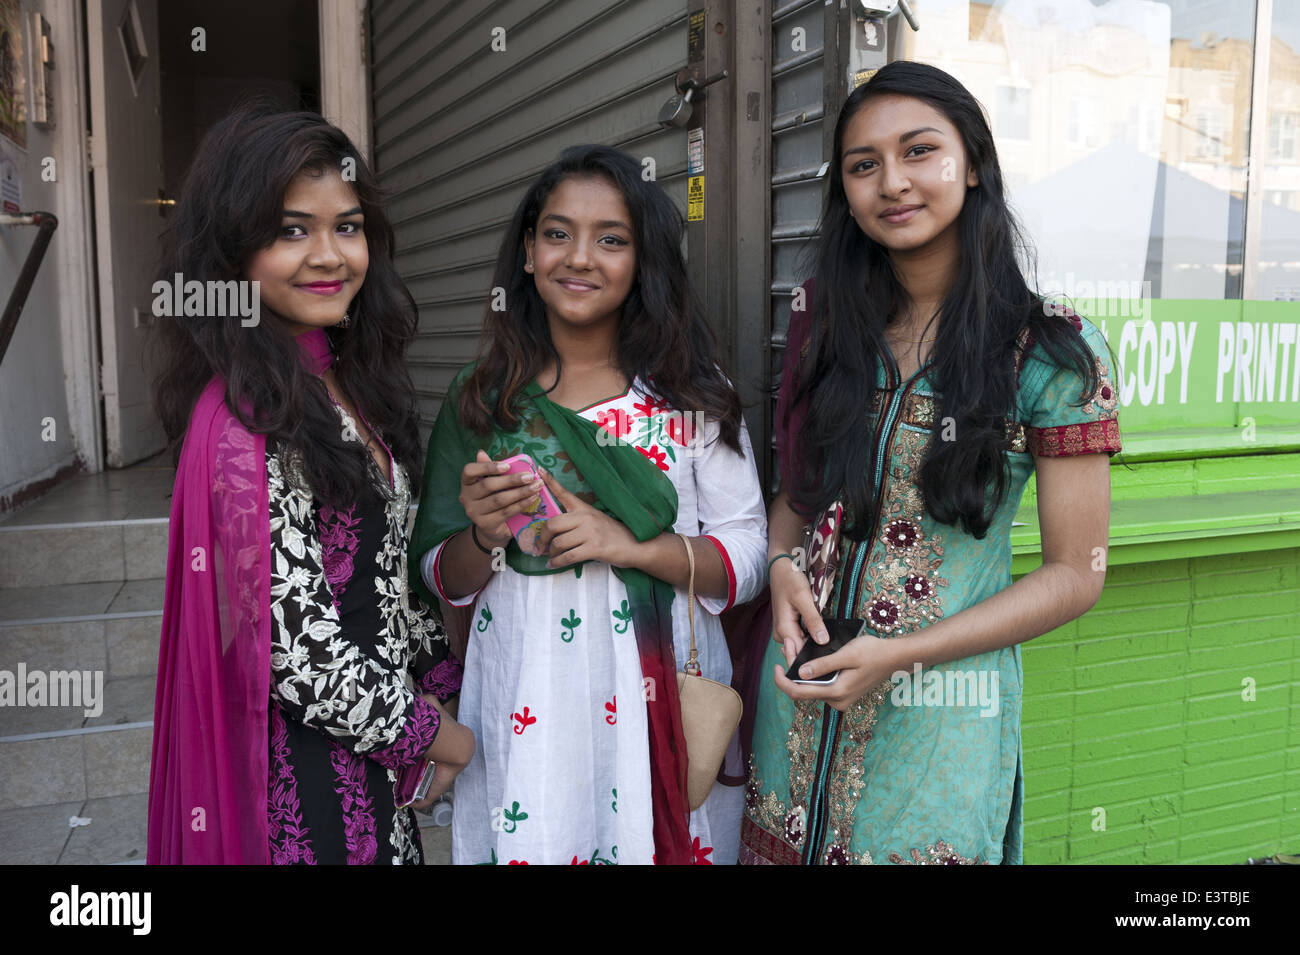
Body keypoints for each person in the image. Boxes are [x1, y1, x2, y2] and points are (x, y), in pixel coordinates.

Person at [742, 62, 1121, 865]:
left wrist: (899, 654)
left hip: (940, 715)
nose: (892, 182)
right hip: (797, 701)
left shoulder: (1050, 352)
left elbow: (1075, 574)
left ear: (972, 162)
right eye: (863, 164)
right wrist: (779, 566)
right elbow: (798, 500)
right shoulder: (834, 328)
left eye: (920, 151)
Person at [408, 145, 768, 865]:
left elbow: (749, 556)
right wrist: (483, 535)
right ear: (529, 256)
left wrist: (632, 545)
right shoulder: (483, 398)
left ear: (644, 262)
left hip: (654, 696)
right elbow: (439, 574)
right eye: (556, 233)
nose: (580, 257)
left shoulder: (688, 396)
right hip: (527, 693)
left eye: (612, 238)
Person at [147, 102, 474, 865]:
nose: (329, 255)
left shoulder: (340, 384)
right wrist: (436, 733)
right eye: (292, 230)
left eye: (347, 226)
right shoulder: (241, 421)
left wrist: (442, 675)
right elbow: (297, 651)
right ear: (232, 251)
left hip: (372, 755)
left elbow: (382, 571)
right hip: (304, 783)